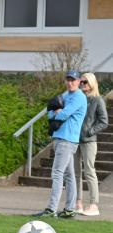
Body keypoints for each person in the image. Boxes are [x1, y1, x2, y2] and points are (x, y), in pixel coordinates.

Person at [34, 70, 87, 219]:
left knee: (57, 173)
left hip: (67, 140)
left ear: (79, 82)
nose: (70, 83)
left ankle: (51, 210)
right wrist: (56, 112)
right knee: (69, 176)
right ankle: (69, 210)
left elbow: (64, 114)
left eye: (73, 80)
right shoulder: (65, 95)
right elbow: (50, 113)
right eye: (68, 80)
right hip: (60, 138)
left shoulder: (79, 97)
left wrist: (58, 111)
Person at [74, 72, 109, 216]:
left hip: (89, 141)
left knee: (89, 171)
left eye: (85, 82)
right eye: (81, 82)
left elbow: (104, 121)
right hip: (75, 139)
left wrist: (89, 131)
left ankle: (94, 205)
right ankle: (78, 202)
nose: (82, 84)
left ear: (92, 83)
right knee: (75, 173)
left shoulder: (97, 100)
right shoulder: (78, 98)